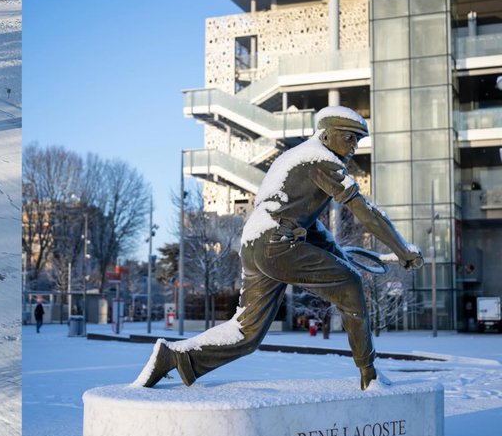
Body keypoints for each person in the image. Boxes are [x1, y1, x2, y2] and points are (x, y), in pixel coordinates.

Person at [136, 106, 423, 392]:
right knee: (351, 285)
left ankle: (175, 356)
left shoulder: (296, 159)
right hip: (277, 245)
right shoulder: (322, 161)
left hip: (255, 243)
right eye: (349, 137)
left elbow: (309, 226)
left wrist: (339, 254)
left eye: (357, 140)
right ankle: (370, 376)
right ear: (325, 136)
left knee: (245, 333)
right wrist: (402, 249)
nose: (354, 146)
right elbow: (365, 212)